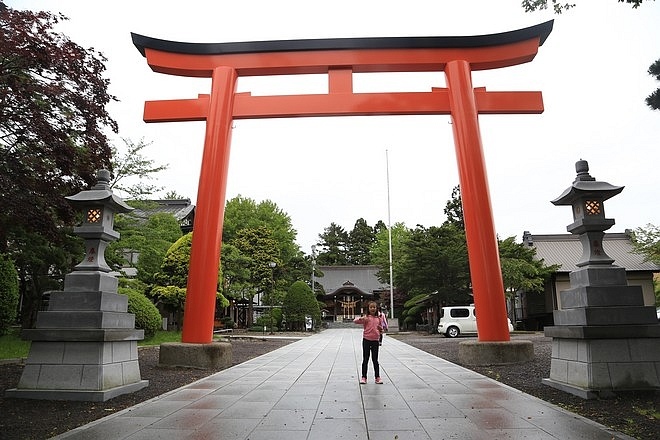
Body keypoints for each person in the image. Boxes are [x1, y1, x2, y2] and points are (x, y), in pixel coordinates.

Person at [354, 301, 383, 384]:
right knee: (365, 359)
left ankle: (377, 377)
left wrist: (381, 330)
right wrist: (361, 318)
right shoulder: (366, 318)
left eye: (374, 307)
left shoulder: (379, 318)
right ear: (368, 308)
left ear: (376, 308)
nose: (373, 308)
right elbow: (355, 321)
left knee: (375, 360)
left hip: (375, 341)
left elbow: (380, 328)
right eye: (371, 307)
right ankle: (364, 377)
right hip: (366, 340)